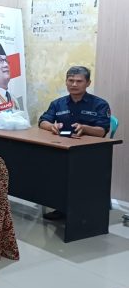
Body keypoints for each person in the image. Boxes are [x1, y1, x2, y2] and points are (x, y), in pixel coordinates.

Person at [38, 66, 111, 220]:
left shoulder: (100, 104)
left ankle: (83, 210)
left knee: (77, 175)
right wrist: (52, 126)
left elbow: (102, 131)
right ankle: (61, 207)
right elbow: (43, 121)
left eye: (79, 81)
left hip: (89, 153)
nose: (74, 84)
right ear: (66, 82)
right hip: (62, 149)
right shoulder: (58, 103)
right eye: (70, 80)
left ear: (88, 83)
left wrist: (85, 128)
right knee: (49, 168)